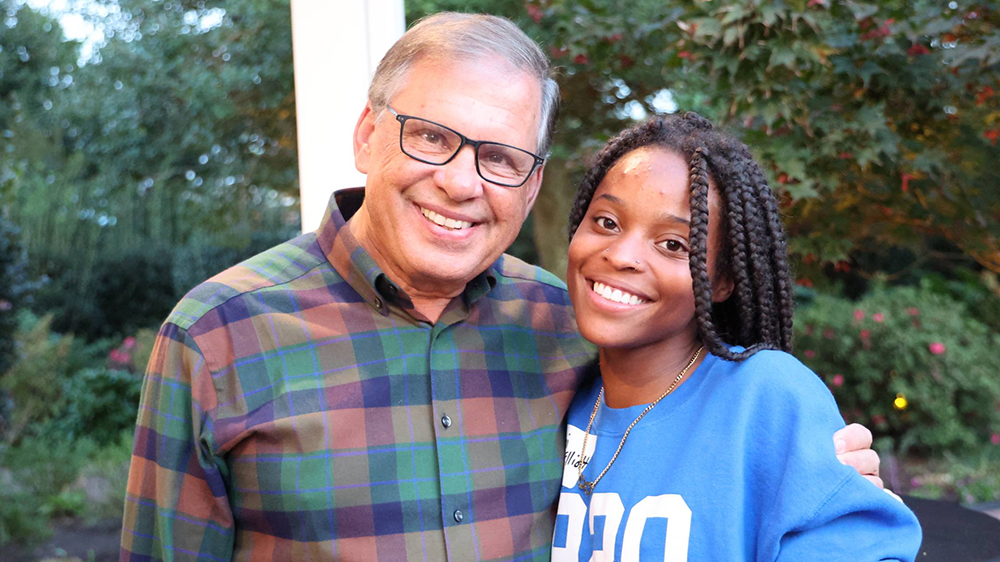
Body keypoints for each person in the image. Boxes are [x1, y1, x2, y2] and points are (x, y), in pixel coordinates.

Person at [120, 13, 882, 562]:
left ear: (532, 180)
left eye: (500, 156)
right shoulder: (219, 334)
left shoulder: (565, 325)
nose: (459, 183)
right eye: (431, 137)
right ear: (366, 135)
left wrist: (810, 476)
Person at [552, 113, 921, 561]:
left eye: (673, 244)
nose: (621, 255)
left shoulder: (764, 395)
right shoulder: (560, 393)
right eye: (607, 222)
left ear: (723, 281)